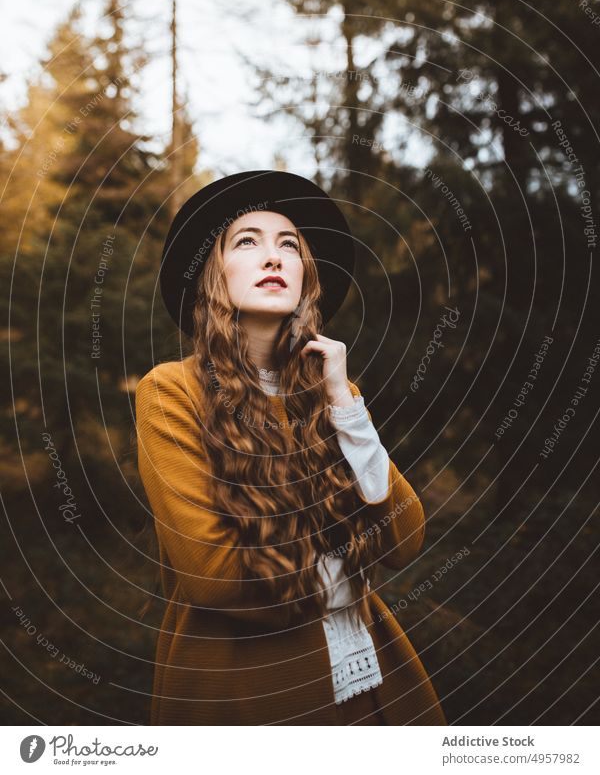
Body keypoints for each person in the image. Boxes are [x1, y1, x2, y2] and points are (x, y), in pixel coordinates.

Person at [135, 170, 446, 726]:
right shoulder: (170, 393)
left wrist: (343, 406)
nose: (273, 257)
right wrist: (344, 562)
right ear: (215, 273)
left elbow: (404, 536)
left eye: (289, 246)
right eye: (248, 241)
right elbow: (213, 575)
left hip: (375, 686)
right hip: (246, 690)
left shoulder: (335, 391)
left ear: (306, 275)